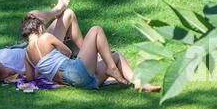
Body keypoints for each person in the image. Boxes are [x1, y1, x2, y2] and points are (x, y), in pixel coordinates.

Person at [22, 12, 160, 92]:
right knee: (96, 30)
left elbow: (30, 78)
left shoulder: (27, 55)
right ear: (40, 29)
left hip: (81, 84)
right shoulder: (46, 37)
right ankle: (112, 69)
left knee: (117, 56)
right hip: (76, 72)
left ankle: (138, 82)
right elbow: (68, 52)